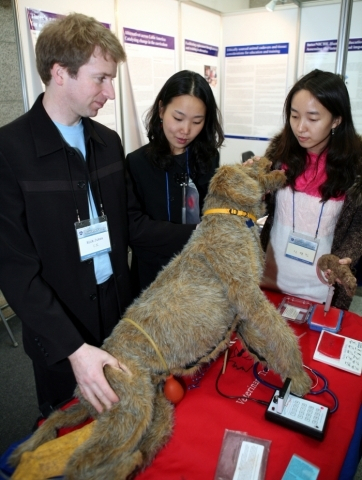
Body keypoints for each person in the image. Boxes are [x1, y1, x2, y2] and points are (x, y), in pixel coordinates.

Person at [0, 13, 192, 415]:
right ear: (59, 73)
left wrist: (201, 233)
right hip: (59, 330)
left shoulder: (107, 141)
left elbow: (132, 225)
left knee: (125, 420)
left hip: (118, 312)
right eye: (100, 78)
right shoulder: (10, 151)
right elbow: (15, 271)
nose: (110, 91)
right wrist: (72, 348)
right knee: (67, 433)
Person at [259, 69, 362, 310]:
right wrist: (251, 187)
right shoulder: (278, 155)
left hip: (321, 289)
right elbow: (263, 209)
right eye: (294, 116)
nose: (300, 128)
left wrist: (344, 258)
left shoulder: (355, 167)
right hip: (269, 280)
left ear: (336, 120)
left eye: (313, 119)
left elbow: (358, 227)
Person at [126, 70, 224, 292]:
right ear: (161, 110)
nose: (186, 130)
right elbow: (136, 230)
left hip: (199, 274)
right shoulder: (137, 163)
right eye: (178, 118)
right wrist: (197, 232)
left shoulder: (208, 158)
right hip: (153, 278)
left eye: (197, 121)